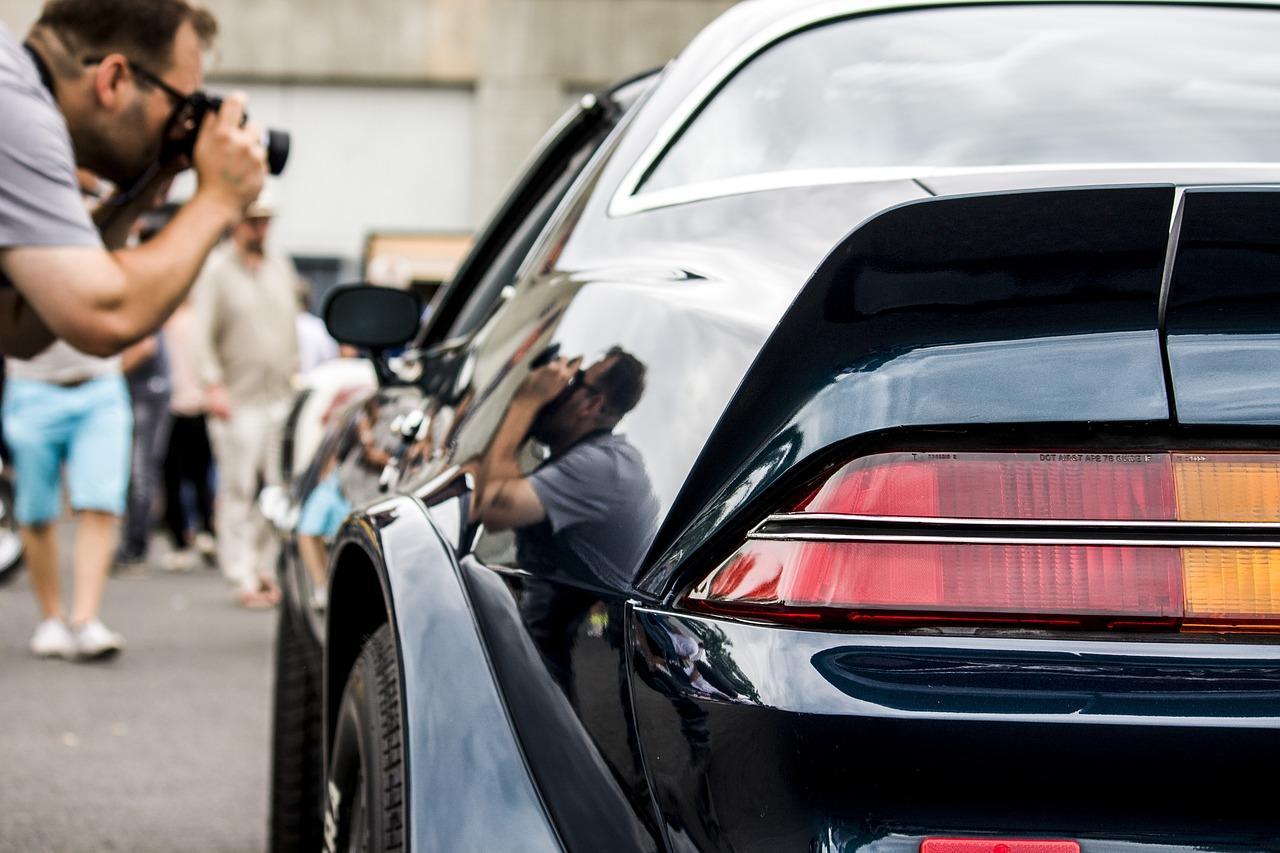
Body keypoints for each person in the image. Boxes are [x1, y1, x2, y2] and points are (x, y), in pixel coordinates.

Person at [0, 0, 267, 359]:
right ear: (113, 80)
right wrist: (219, 199)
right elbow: (103, 317)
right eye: (179, 106)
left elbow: (14, 328)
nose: (180, 130)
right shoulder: (15, 111)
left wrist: (137, 195)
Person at [473, 347, 658, 704]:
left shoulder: (600, 465)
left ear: (590, 405)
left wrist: (525, 403)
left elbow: (491, 507)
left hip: (622, 647)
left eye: (571, 381)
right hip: (591, 634)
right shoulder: (591, 458)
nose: (553, 387)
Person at [4, 179, 133, 659]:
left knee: (99, 501)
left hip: (98, 386)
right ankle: (52, 620)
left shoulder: (108, 225)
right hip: (32, 387)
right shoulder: (17, 217)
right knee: (37, 511)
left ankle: (85, 619)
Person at [189, 197, 298, 607]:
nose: (260, 230)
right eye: (253, 222)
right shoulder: (217, 271)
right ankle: (240, 573)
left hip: (278, 397)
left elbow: (290, 324)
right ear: (237, 224)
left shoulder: (280, 266)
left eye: (266, 222)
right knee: (237, 488)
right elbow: (200, 334)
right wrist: (212, 385)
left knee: (275, 490)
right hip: (238, 397)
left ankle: (265, 568)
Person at [159, 288, 214, 570]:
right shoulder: (200, 321)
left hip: (175, 407)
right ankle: (207, 531)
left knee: (173, 478)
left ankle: (182, 541)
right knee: (201, 476)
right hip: (204, 406)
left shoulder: (167, 324)